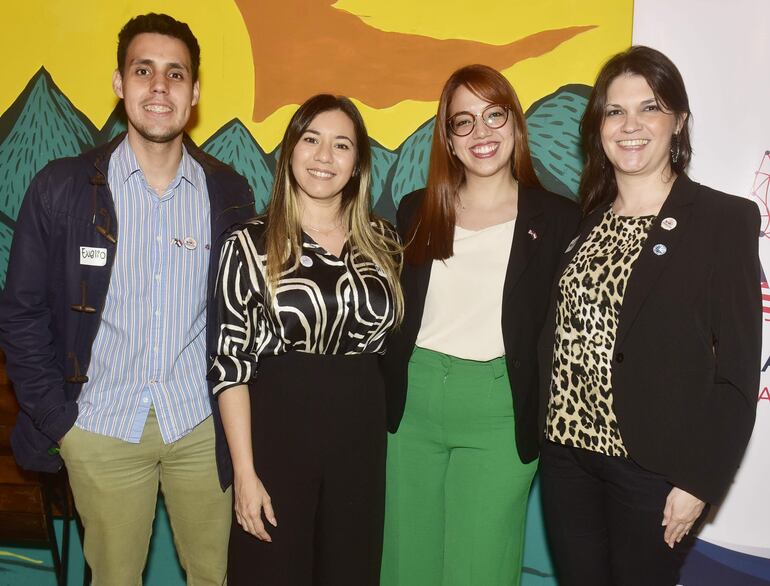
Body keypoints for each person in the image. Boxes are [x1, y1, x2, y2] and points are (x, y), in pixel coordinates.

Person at [0, 13, 255, 585]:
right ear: (120, 83)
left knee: (219, 576)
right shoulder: (61, 187)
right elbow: (21, 314)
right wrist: (63, 424)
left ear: (194, 93)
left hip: (201, 426)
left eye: (175, 74)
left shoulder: (229, 193)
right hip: (101, 428)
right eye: (144, 71)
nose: (159, 87)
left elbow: (244, 313)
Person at [537, 45, 761, 586]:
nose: (630, 125)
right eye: (615, 111)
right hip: (567, 461)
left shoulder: (722, 220)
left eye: (650, 107)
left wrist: (700, 482)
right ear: (598, 127)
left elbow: (737, 374)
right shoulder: (584, 222)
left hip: (654, 472)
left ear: (678, 121)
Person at [380, 64, 580, 586]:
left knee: (480, 571)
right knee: (405, 566)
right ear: (447, 138)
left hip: (499, 411)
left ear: (515, 123)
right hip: (412, 409)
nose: (482, 133)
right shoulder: (415, 211)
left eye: (494, 115)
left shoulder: (558, 219)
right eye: (463, 122)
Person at [207, 93, 403, 586]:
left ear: (357, 164)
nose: (324, 156)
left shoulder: (384, 243)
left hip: (360, 444)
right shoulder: (248, 243)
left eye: (341, 145)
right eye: (311, 140)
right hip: (276, 441)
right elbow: (230, 364)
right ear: (290, 149)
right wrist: (244, 474)